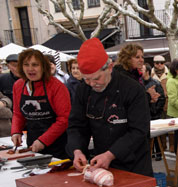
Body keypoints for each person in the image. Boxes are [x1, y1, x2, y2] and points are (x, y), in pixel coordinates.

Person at [66, 38, 152, 177]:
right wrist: (77, 150)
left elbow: (138, 130)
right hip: (100, 163)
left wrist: (111, 154)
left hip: (134, 164)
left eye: (97, 78)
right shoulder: (83, 90)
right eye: (87, 79)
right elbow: (76, 126)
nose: (92, 84)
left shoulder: (132, 89)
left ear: (110, 68)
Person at [11, 49, 70, 159]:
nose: (30, 69)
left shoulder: (57, 86)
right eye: (26, 65)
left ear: (43, 67)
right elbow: (18, 113)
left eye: (35, 65)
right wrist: (15, 131)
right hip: (33, 144)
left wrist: (43, 140)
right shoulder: (18, 86)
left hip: (58, 146)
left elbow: (64, 119)